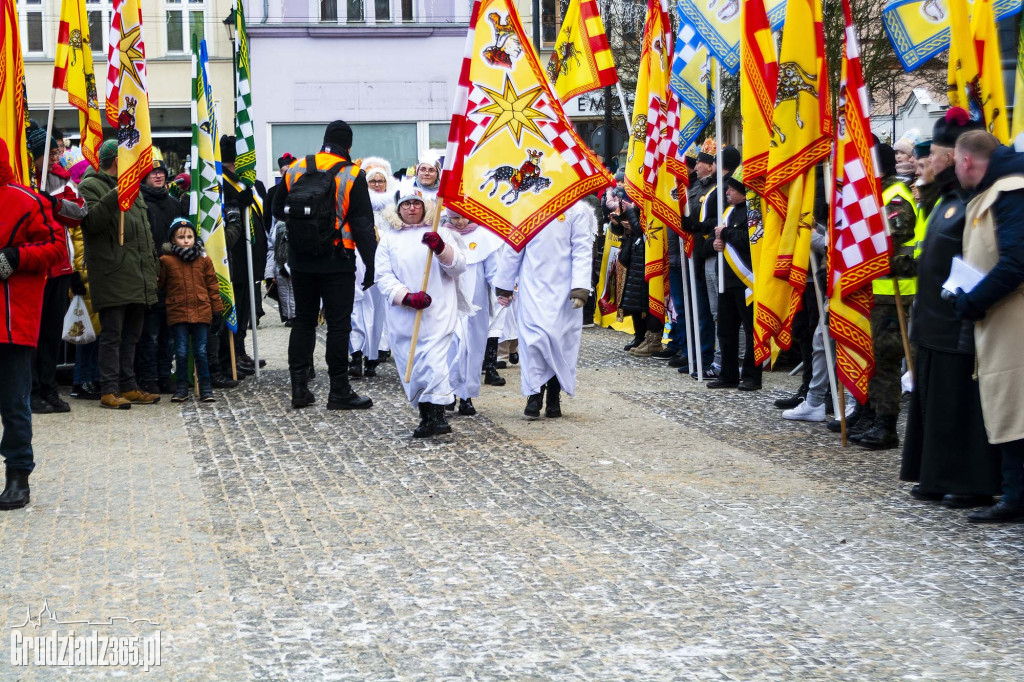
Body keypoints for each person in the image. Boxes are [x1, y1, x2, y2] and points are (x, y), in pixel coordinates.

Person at [900, 113, 1000, 509]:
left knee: (958, 406)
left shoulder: (974, 202)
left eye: (940, 156)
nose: (934, 162)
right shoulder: (944, 200)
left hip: (957, 322)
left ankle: (968, 480)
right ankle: (933, 474)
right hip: (931, 321)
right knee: (933, 405)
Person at [271, 120, 377, 410]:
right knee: (338, 326)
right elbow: (363, 225)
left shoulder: (295, 169)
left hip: (300, 258)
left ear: (324, 140)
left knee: (303, 321)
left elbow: (278, 209)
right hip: (337, 260)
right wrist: (372, 265)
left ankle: (299, 390)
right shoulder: (353, 174)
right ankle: (339, 391)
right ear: (349, 146)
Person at [951, 130, 1024, 523]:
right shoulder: (1000, 188)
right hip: (1002, 317)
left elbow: (1015, 262)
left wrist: (972, 300)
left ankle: (1016, 496)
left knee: (1016, 406)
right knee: (1011, 404)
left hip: (1015, 317)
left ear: (965, 161)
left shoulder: (1012, 190)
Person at [0, 138, 68, 509]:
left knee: (13, 403)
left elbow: (57, 249)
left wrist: (15, 257)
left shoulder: (27, 201)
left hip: (10, 323)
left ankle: (18, 477)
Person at [375, 192, 467, 436]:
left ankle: (438, 417)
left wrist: (441, 249)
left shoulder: (441, 231)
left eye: (416, 203)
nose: (412, 208)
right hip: (405, 318)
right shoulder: (388, 239)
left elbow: (458, 266)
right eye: (406, 204)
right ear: (398, 209)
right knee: (414, 366)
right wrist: (405, 296)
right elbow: (383, 276)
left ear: (424, 207)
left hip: (437, 312)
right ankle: (425, 416)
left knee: (435, 363)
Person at [78, 140, 161, 409]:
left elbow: (144, 233)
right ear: (118, 161)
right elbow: (92, 223)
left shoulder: (134, 188)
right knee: (112, 334)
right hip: (113, 273)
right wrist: (117, 192)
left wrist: (152, 268)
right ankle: (109, 389)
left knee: (132, 335)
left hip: (137, 273)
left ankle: (129, 385)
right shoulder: (89, 185)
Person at [495, 200, 595, 419]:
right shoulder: (526, 207)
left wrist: (580, 287)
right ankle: (534, 394)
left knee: (559, 343)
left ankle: (553, 395)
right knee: (533, 342)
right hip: (534, 286)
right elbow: (514, 247)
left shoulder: (577, 211)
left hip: (564, 291)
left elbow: (582, 249)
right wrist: (504, 284)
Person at [850, 143, 919, 449]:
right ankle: (868, 412)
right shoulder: (872, 196)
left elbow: (890, 245)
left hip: (892, 293)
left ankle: (886, 424)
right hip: (870, 292)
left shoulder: (895, 197)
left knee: (885, 360)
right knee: (868, 356)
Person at [27, 126, 87, 414]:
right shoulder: (20, 179)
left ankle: (50, 389)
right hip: (32, 270)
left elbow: (79, 213)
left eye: (56, 151)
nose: (55, 157)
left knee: (51, 334)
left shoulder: (62, 180)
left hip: (59, 267)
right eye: (49, 153)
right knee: (33, 335)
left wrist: (53, 203)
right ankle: (32, 391)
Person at [443, 208, 504, 415]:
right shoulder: (443, 235)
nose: (459, 222)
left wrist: (502, 291)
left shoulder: (484, 237)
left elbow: (493, 271)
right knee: (450, 346)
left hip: (475, 303)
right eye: (455, 217)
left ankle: (467, 395)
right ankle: (447, 391)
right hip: (449, 300)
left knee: (472, 348)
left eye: (463, 216)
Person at [707, 168, 760, 391]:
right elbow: (717, 237)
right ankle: (728, 374)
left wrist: (725, 235)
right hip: (725, 278)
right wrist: (715, 243)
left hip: (746, 279)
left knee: (750, 331)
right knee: (726, 329)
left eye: (731, 188)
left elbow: (751, 238)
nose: (727, 191)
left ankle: (751, 376)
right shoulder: (728, 212)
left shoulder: (753, 211)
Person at [159, 218, 223, 403]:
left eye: (189, 236)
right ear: (173, 240)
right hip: (178, 311)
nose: (186, 240)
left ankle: (205, 387)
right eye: (181, 237)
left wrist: (217, 310)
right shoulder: (166, 260)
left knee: (201, 351)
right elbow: (161, 284)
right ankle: (181, 387)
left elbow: (212, 286)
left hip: (201, 310)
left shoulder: (204, 259)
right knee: (180, 351)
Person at [220, 135, 268, 377]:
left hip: (253, 256)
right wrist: (237, 201)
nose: (237, 168)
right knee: (235, 305)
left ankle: (241, 347)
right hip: (234, 256)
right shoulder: (220, 183)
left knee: (248, 306)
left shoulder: (254, 184)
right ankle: (232, 352)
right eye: (233, 164)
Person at [138, 159, 186, 394]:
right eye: (153, 173)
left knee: (168, 335)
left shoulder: (174, 204)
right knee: (151, 334)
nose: (158, 176)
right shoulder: (139, 204)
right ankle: (149, 378)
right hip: (149, 275)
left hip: (173, 276)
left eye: (161, 173)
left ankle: (165, 375)